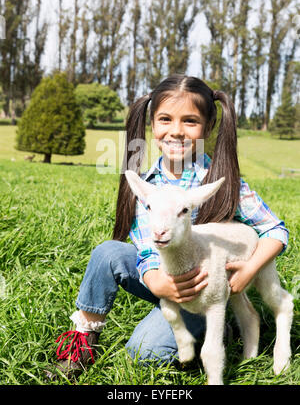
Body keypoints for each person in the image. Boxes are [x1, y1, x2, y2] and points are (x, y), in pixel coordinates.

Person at [46, 74, 289, 379]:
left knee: (144, 352)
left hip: (202, 290)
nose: (176, 131)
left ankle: (216, 330)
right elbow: (145, 246)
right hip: (163, 277)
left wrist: (249, 270)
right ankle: (80, 347)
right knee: (107, 252)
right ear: (152, 125)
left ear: (208, 127)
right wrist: (153, 280)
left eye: (190, 121)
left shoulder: (221, 182)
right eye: (165, 119)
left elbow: (275, 230)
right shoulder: (144, 185)